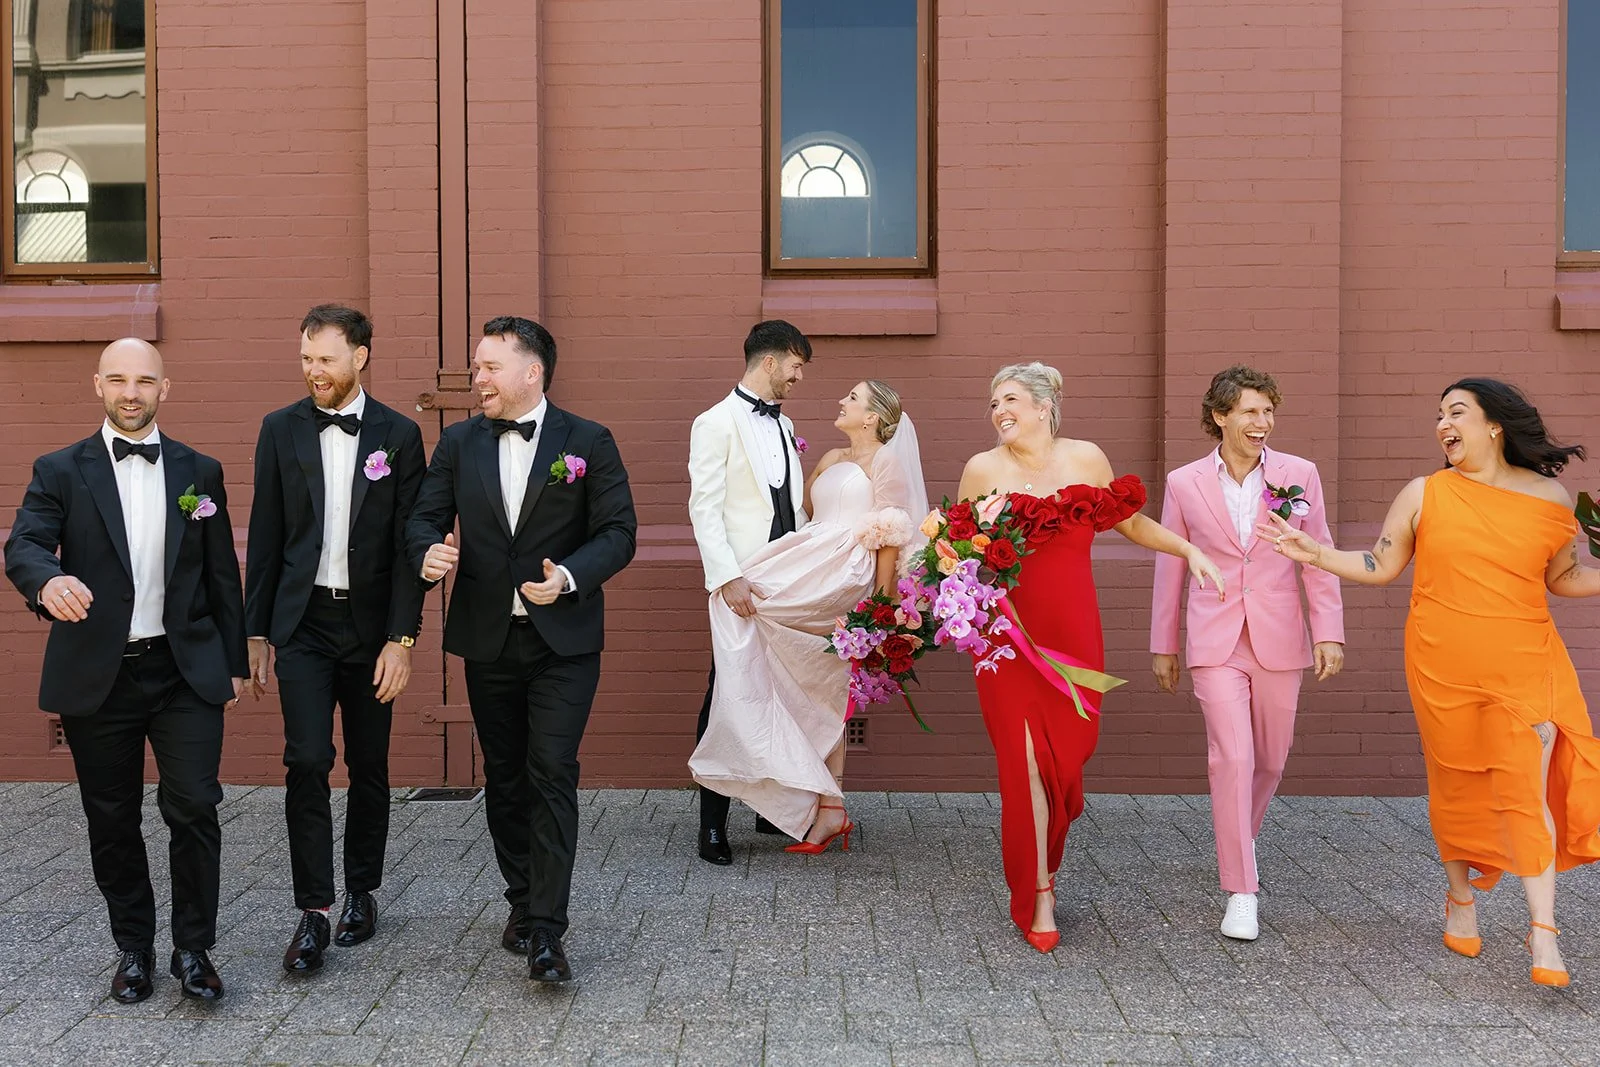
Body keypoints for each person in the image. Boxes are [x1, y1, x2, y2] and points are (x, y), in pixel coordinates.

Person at [1264, 378, 1600, 988]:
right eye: (1439, 415)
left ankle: (1545, 932)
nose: (1443, 424)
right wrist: (1312, 553)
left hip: (1527, 656)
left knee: (1526, 777)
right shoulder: (1425, 493)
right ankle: (1460, 897)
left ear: (1493, 425)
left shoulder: (1551, 498)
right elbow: (1380, 565)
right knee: (1454, 778)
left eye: (1456, 412)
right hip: (1441, 658)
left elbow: (1566, 577)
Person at [4, 339, 247, 1003]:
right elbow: (24, 542)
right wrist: (46, 580)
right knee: (111, 815)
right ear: (98, 385)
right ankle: (134, 945)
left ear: (165, 387)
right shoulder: (59, 469)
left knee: (194, 804)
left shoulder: (201, 469)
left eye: (144, 380)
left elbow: (222, 572)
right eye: (118, 379)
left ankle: (194, 949)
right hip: (98, 673)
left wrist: (234, 663)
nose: (131, 391)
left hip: (183, 669)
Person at [957, 362, 1224, 953]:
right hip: (1006, 640)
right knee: (1023, 762)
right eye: (992, 403)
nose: (999, 411)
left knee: (1068, 760)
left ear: (1045, 405)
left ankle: (1046, 861)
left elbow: (1131, 525)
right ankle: (1040, 893)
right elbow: (956, 553)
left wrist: (1188, 549)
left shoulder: (1086, 460)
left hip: (1075, 635)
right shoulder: (982, 470)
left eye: (1010, 400)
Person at [406, 316, 636, 983]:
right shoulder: (457, 443)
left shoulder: (588, 441)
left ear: (531, 371)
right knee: (504, 778)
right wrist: (428, 549)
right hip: (487, 639)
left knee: (550, 769)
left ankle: (547, 930)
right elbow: (423, 515)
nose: (476, 377)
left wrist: (566, 576)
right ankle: (521, 899)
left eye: (488, 367)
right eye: (476, 366)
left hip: (563, 642)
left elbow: (619, 532)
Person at [244, 305, 426, 973]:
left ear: (360, 357)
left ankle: (362, 891)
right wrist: (255, 630)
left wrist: (402, 638)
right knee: (306, 758)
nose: (312, 371)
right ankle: (314, 908)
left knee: (369, 764)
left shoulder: (400, 435)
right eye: (305, 358)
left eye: (325, 358)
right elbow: (264, 536)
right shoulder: (279, 429)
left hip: (372, 628)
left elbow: (412, 547)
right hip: (303, 625)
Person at [1149, 366, 1345, 940]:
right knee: (1231, 756)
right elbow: (1170, 562)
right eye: (1251, 412)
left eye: (1268, 412)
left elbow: (1318, 551)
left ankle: (1239, 839)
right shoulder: (1184, 482)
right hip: (1214, 637)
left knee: (1271, 758)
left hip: (1281, 635)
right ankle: (1241, 889)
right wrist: (1165, 644)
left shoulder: (1298, 474)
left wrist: (1328, 630)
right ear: (1220, 416)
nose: (1263, 423)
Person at [690, 380, 927, 850]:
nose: (841, 399)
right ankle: (813, 806)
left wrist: (879, 603)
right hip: (810, 552)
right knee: (786, 659)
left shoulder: (885, 461)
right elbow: (803, 515)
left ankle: (818, 804)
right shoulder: (832, 459)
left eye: (853, 398)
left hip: (845, 567)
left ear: (873, 417)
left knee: (818, 673)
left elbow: (891, 533)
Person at [685, 320, 813, 865]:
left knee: (781, 689)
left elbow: (790, 505)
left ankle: (771, 805)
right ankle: (711, 825)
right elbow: (704, 506)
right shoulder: (714, 422)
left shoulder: (784, 428)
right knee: (727, 693)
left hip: (785, 581)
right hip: (739, 584)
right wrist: (726, 576)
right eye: (796, 365)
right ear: (772, 360)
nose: (798, 377)